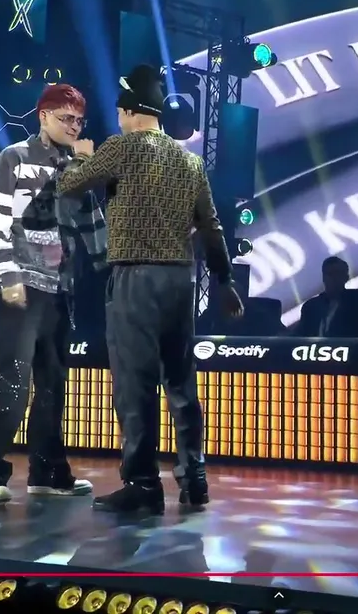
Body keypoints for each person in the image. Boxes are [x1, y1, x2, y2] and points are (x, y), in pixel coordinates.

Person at [53, 64, 243, 515]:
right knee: (180, 383)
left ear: (129, 111)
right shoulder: (190, 161)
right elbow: (211, 226)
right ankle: (194, 479)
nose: (117, 120)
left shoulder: (120, 148)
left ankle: (142, 485)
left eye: (119, 113)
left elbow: (68, 187)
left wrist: (80, 155)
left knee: (135, 384)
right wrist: (225, 281)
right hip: (180, 281)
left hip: (135, 279)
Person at [0, 83, 107, 505]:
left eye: (79, 120)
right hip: (22, 283)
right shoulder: (14, 158)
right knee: (12, 378)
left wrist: (115, 268)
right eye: (66, 118)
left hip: (61, 288)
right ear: (42, 116)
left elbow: (93, 227)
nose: (74, 126)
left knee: (53, 385)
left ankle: (48, 472)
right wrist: (6, 274)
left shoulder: (76, 166)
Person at [295, 256, 358, 338]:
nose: (334, 278)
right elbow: (301, 334)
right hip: (315, 350)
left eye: (338, 274)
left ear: (346, 278)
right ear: (323, 277)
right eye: (330, 274)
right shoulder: (311, 306)